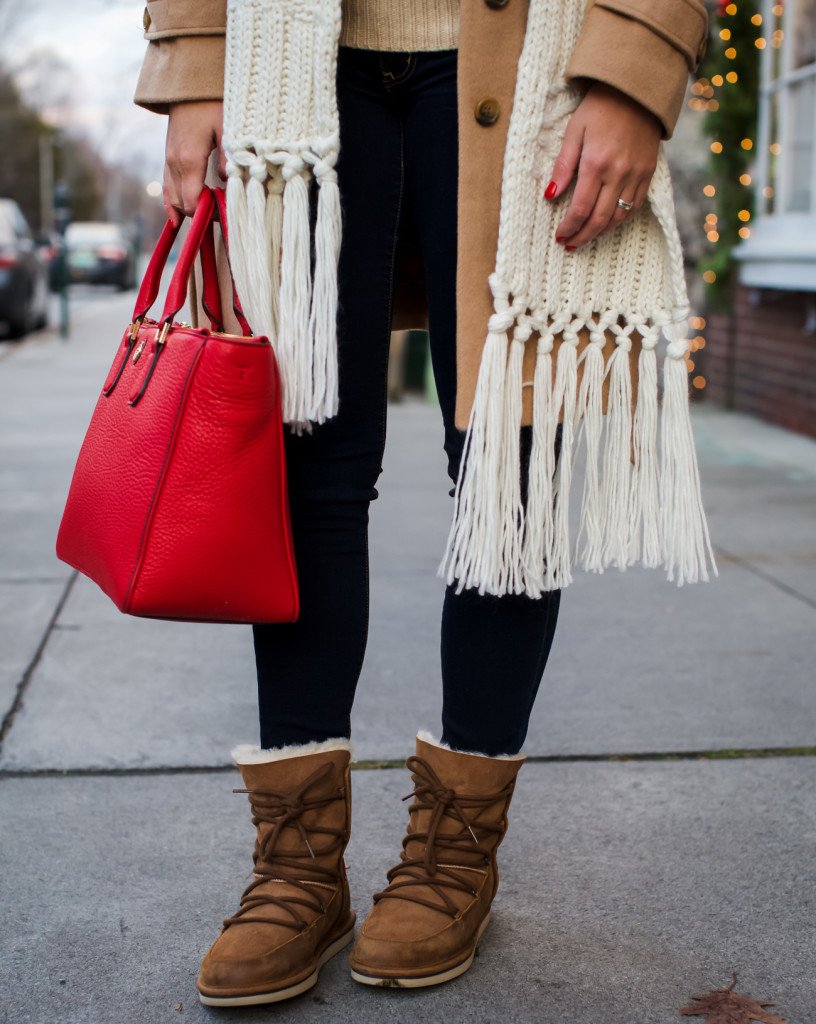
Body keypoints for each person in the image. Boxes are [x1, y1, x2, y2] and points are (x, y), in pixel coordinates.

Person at [135, 0, 709, 1007]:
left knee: (506, 467)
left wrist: (634, 67)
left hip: (538, 52)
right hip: (297, 59)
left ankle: (456, 858)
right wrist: (192, 67)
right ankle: (300, 867)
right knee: (305, 460)